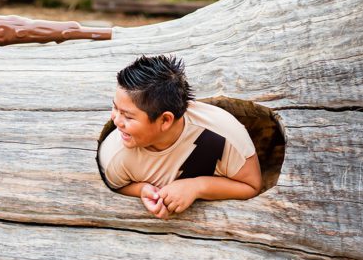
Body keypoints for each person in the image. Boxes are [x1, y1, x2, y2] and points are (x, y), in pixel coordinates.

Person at [98, 54, 262, 219]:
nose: (116, 120)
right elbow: (114, 187)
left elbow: (252, 185)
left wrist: (197, 187)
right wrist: (141, 189)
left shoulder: (225, 135)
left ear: (165, 120)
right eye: (115, 108)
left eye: (128, 116)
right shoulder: (114, 156)